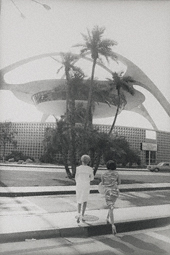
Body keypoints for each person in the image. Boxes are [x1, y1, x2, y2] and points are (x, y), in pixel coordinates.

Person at [101, 160, 121, 234]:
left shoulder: (103, 174)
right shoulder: (117, 174)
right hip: (115, 192)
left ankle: (112, 225)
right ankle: (107, 218)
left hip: (108, 192)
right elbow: (119, 182)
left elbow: (102, 183)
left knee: (110, 207)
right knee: (111, 205)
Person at [75, 154, 94, 223]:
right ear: (88, 161)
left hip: (79, 185)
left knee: (79, 199)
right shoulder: (90, 169)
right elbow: (92, 178)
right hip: (86, 185)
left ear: (81, 160)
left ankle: (78, 214)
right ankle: (82, 215)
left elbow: (76, 177)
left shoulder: (78, 168)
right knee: (85, 200)